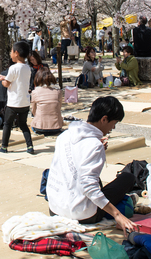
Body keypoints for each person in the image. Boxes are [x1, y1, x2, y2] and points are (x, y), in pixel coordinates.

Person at [46, 96, 137, 232]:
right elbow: (88, 187)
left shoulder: (64, 135)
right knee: (128, 178)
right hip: (82, 214)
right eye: (114, 123)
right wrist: (117, 215)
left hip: (55, 208)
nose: (113, 128)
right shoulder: (94, 145)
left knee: (90, 178)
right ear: (104, 119)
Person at [0, 40, 34, 154]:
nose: (10, 54)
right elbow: (17, 80)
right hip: (25, 102)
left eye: (11, 51)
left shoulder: (13, 68)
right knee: (23, 124)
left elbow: (7, 84)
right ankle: (30, 146)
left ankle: (4, 147)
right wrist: (5, 77)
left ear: (16, 53)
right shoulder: (27, 68)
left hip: (13, 103)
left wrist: (2, 80)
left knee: (7, 124)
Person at [30, 67, 63, 136]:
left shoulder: (35, 92)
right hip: (57, 127)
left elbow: (33, 110)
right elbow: (59, 108)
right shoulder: (58, 92)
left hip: (40, 127)